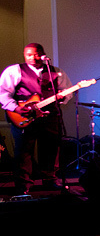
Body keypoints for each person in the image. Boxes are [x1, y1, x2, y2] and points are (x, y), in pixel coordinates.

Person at [0, 43, 73, 193]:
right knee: (24, 151)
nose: (33, 57)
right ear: (24, 55)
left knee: (51, 149)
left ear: (43, 54)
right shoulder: (14, 70)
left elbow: (67, 91)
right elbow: (3, 92)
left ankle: (50, 180)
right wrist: (15, 107)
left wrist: (62, 97)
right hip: (24, 115)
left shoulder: (56, 71)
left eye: (36, 53)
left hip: (50, 116)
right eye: (29, 54)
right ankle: (24, 184)